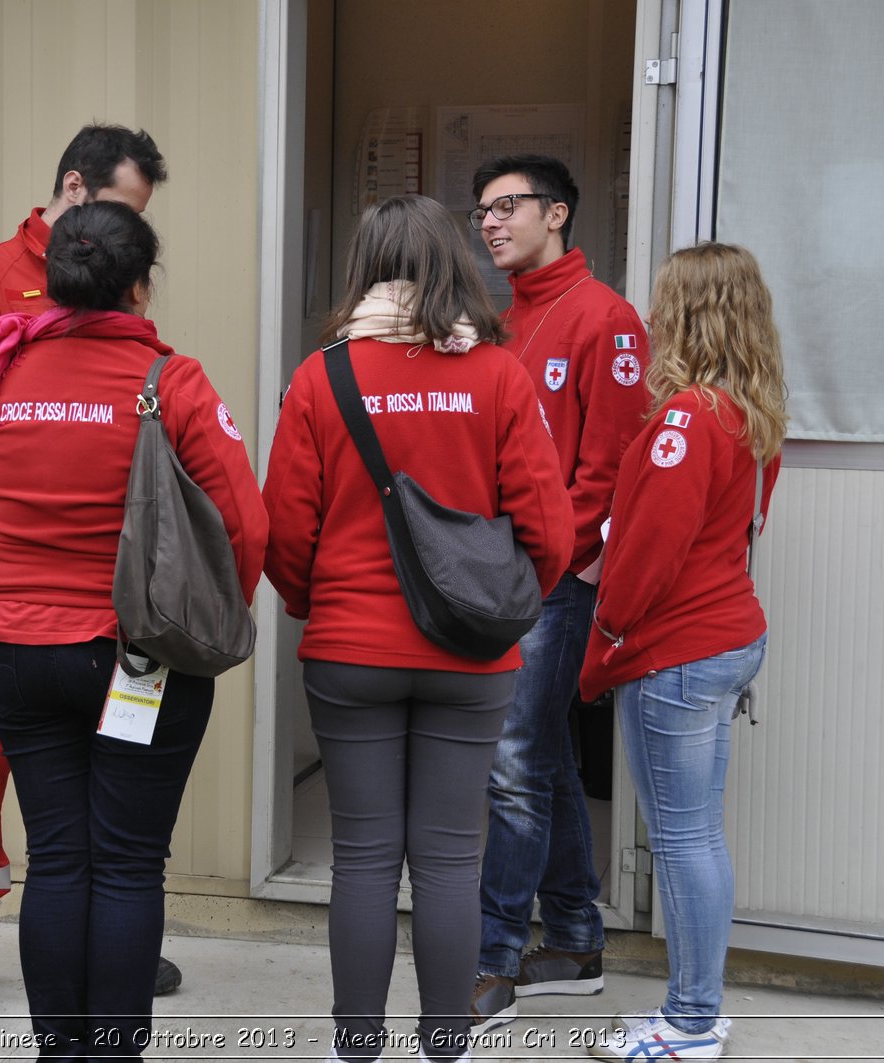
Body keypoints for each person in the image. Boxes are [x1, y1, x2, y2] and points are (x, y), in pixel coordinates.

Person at [263, 194, 574, 1063]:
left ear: (364, 268)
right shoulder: (501, 376)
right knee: (447, 859)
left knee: (362, 857)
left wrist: (317, 602)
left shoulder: (321, 376)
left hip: (349, 648)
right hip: (473, 656)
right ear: (454, 264)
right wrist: (505, 604)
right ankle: (447, 1046)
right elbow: (550, 529)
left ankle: (355, 1048)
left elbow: (284, 531)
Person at [0, 200, 268, 1058]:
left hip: (16, 649)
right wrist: (208, 616)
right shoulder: (170, 382)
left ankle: (60, 1050)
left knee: (57, 858)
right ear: (139, 285)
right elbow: (246, 523)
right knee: (130, 863)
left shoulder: (2, 374)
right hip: (135, 653)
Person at [0, 124, 176, 1016]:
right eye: (120, 209)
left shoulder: (116, 284)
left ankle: (112, 935)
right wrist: (31, 351)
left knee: (115, 763)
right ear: (74, 186)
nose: (130, 233)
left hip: (102, 586)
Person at [578, 243, 785, 1061]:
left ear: (696, 312)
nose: (652, 318)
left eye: (664, 303)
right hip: (726, 636)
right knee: (697, 836)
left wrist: (605, 644)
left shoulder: (685, 420)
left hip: (678, 652)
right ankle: (695, 1012)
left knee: (684, 841)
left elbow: (643, 560)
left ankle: (690, 1024)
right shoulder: (753, 409)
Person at [469, 154, 653, 1030]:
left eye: (508, 207)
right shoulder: (503, 325)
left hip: (554, 581)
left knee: (511, 761)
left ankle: (494, 955)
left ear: (559, 214)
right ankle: (575, 937)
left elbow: (607, 471)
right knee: (543, 756)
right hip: (504, 578)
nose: (492, 223)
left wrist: (543, 564)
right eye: (483, 212)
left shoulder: (605, 319)